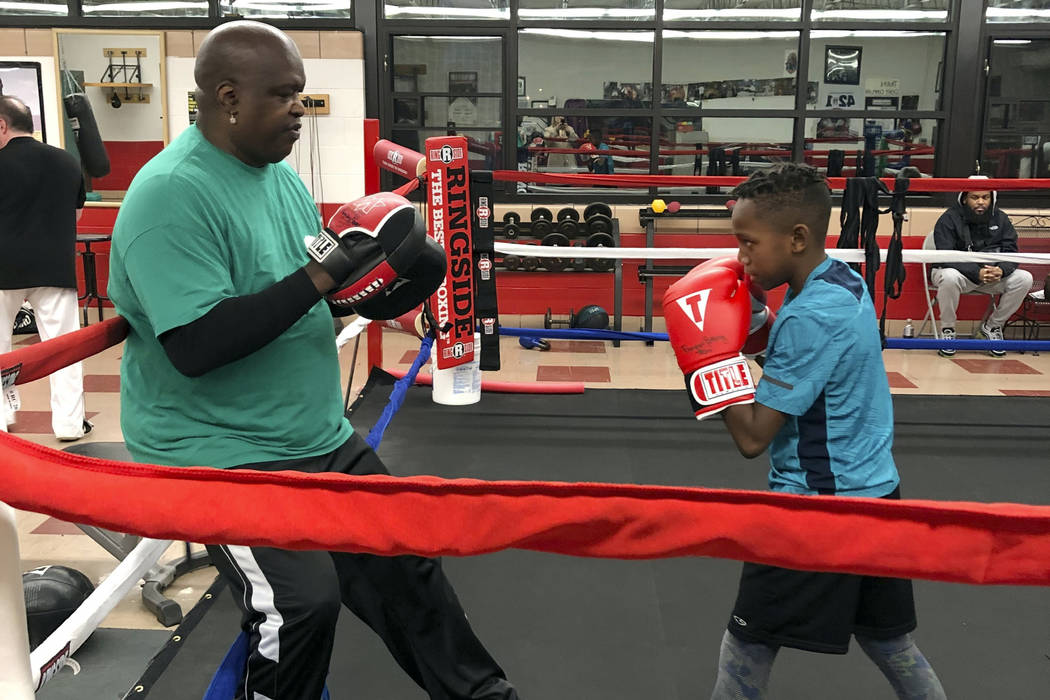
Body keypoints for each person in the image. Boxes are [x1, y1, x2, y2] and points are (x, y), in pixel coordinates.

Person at [107, 21, 520, 700]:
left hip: (313, 435)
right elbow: (198, 346)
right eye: (284, 96)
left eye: (301, 95)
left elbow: (296, 299)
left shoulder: (278, 178)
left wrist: (384, 294)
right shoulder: (170, 196)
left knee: (407, 561)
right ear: (228, 96)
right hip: (222, 452)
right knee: (300, 604)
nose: (300, 109)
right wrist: (324, 278)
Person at [662, 163, 946, 700]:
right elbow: (811, 371)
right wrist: (759, 328)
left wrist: (707, 359)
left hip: (819, 508)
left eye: (748, 244)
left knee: (746, 644)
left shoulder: (808, 315)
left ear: (796, 237)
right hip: (877, 492)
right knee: (889, 642)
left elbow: (752, 438)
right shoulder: (842, 280)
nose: (740, 259)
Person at [0, 95, 90, 441]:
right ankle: (68, 424)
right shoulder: (66, 161)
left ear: (2, 125)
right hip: (55, 268)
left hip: (3, 270)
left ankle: (4, 417)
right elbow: (77, 214)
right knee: (63, 350)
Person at [931, 176, 1033, 357]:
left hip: (992, 275)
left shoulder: (1001, 218)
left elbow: (1012, 251)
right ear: (964, 198)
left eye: (985, 197)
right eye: (975, 197)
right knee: (949, 276)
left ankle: (992, 327)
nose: (980, 202)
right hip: (958, 275)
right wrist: (976, 272)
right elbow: (945, 256)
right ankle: (947, 330)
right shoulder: (948, 218)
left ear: (991, 199)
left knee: (1025, 278)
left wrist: (1001, 269)